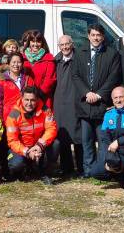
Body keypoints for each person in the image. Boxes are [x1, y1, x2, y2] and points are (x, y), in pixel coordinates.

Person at [71, 24, 122, 177]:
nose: (96, 38)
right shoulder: (80, 53)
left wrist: (99, 94)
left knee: (103, 140)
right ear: (88, 36)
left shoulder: (112, 54)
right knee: (87, 141)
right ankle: (88, 171)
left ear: (103, 37)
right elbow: (75, 75)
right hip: (85, 105)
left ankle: (101, 171)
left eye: (98, 35)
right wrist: (87, 93)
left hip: (103, 106)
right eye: (93, 35)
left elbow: (114, 76)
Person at [0, 52, 35, 176]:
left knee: (22, 144)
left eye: (19, 62)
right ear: (8, 64)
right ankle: (2, 170)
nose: (16, 65)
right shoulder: (1, 80)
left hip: (25, 120)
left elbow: (34, 98)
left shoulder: (27, 79)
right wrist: (0, 119)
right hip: (7, 119)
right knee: (3, 146)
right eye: (13, 62)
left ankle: (25, 168)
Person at [6, 86, 59, 185]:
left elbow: (51, 129)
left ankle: (44, 172)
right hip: (22, 148)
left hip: (38, 146)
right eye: (26, 100)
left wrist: (39, 145)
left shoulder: (45, 110)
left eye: (33, 100)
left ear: (37, 99)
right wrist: (27, 152)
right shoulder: (14, 114)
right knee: (16, 164)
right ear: (22, 99)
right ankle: (23, 170)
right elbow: (12, 140)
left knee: (56, 144)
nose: (29, 103)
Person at [54, 35, 83, 176]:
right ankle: (67, 168)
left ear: (72, 44)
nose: (65, 47)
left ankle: (82, 167)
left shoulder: (80, 59)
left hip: (76, 100)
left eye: (67, 44)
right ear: (59, 46)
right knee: (63, 134)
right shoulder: (56, 61)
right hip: (60, 102)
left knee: (78, 136)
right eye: (62, 45)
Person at [90, 86, 124, 180]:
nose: (118, 100)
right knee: (95, 172)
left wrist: (119, 141)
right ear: (112, 100)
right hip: (113, 151)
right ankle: (117, 173)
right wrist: (109, 157)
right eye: (115, 98)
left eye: (121, 97)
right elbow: (105, 138)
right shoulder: (109, 114)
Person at [22, 30, 56, 108]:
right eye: (33, 41)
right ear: (29, 42)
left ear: (42, 43)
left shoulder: (49, 59)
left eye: (38, 41)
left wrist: (38, 95)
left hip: (42, 98)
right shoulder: (23, 58)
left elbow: (50, 79)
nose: (35, 44)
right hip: (25, 99)